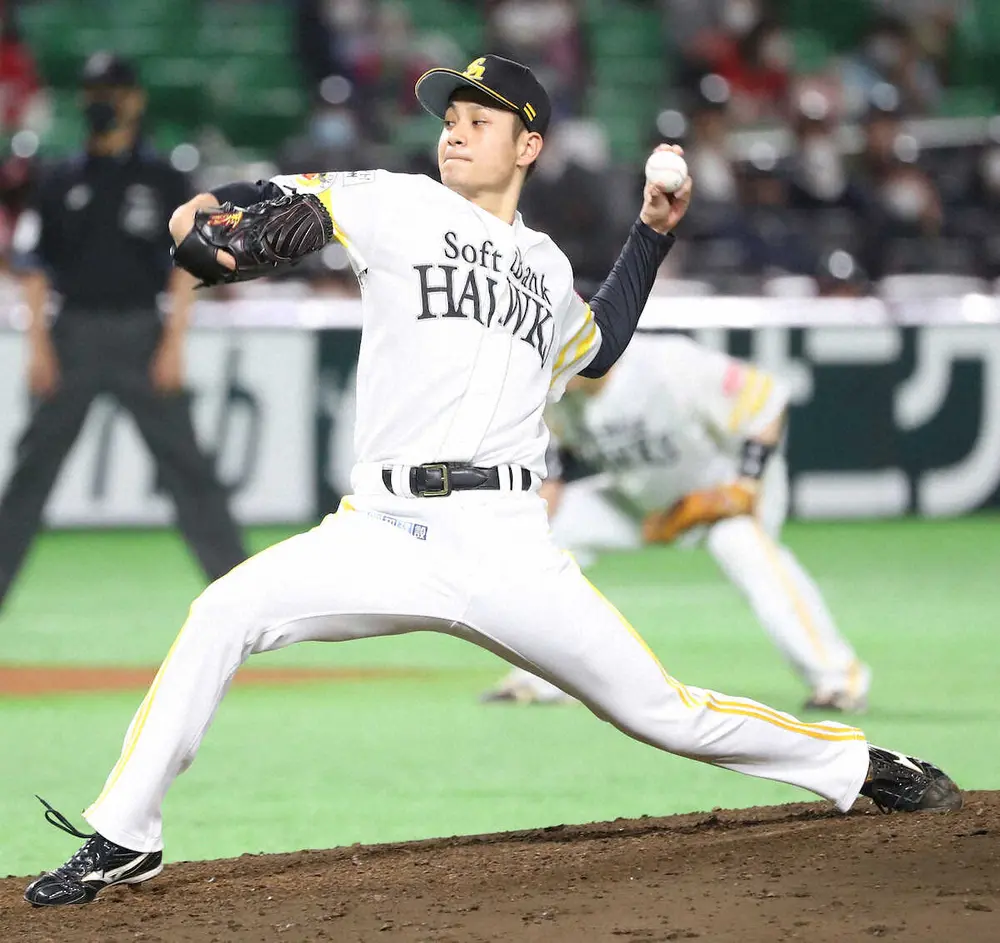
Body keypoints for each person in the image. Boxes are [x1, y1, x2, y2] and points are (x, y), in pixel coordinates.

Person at [24, 54, 960, 909]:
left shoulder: (547, 268)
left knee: (663, 712)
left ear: (529, 145)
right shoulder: (395, 202)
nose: (456, 131)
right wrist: (207, 215)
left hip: (507, 539)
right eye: (449, 118)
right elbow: (275, 204)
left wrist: (651, 233)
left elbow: (599, 346)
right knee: (222, 611)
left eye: (480, 119)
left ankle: (857, 764)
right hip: (381, 526)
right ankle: (126, 834)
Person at [482, 334, 871, 712]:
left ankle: (838, 681)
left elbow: (768, 397)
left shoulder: (668, 363)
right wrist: (529, 526)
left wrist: (748, 482)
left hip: (720, 496)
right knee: (547, 533)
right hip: (640, 501)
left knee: (742, 548)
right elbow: (556, 471)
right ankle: (544, 677)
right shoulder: (558, 394)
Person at [0, 52, 248, 613]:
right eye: (93, 93)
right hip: (72, 336)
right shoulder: (58, 178)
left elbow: (186, 265)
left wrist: (173, 345)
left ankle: (243, 600)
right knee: (30, 472)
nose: (102, 104)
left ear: (135, 100)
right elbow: (33, 269)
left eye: (111, 93)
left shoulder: (163, 179)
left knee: (188, 471)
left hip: (142, 335)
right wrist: (38, 347)